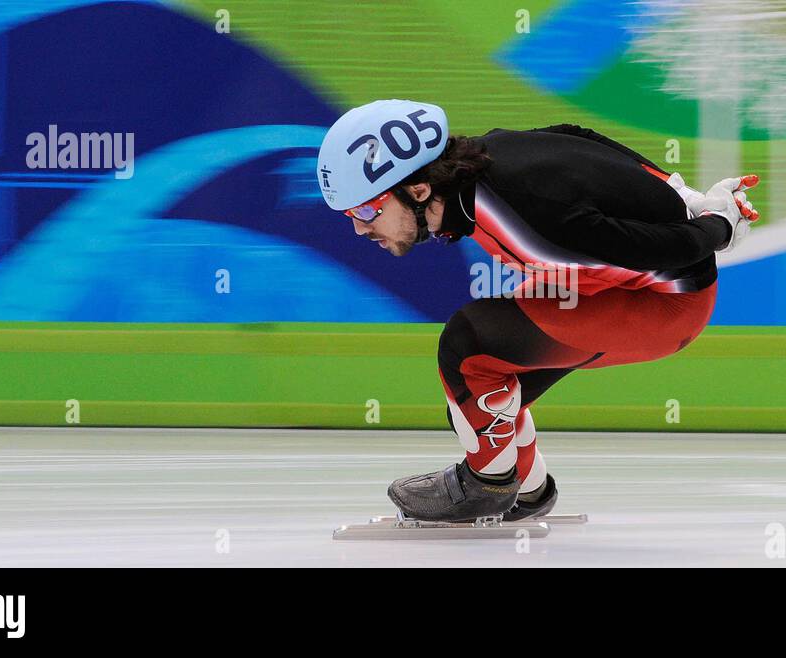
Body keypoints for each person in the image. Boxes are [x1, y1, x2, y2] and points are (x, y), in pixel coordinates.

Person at [316, 99, 759, 523]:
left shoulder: (528, 223)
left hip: (665, 305)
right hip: (618, 280)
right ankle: (528, 490)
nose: (358, 228)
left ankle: (486, 485)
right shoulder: (486, 159)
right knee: (474, 401)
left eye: (365, 208)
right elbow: (574, 135)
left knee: (468, 346)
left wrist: (715, 225)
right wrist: (683, 193)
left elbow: (659, 251)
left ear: (418, 188)